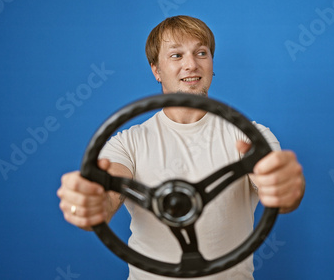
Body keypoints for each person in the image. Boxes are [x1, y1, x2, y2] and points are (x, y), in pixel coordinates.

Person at [57, 15, 305, 279]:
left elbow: (277, 188)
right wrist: (88, 203)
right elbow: (106, 198)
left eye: (201, 53)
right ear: (156, 69)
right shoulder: (127, 143)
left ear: (212, 64)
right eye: (176, 56)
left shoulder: (251, 138)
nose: (191, 65)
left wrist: (285, 187)